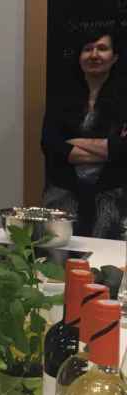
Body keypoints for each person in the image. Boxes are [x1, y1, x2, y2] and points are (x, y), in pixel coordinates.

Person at [42, 30, 127, 239]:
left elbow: (123, 151)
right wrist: (107, 148)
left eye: (102, 48)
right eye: (87, 49)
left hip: (113, 198)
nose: (94, 54)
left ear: (114, 57)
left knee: (107, 265)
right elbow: (51, 146)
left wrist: (76, 142)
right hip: (63, 196)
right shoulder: (60, 99)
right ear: (79, 57)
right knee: (58, 260)